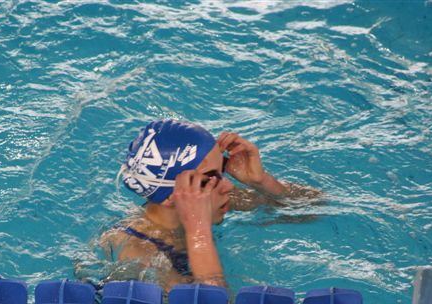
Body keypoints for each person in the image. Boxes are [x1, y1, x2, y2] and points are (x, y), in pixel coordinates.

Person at [101, 119, 321, 290]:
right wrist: (198, 231)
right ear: (170, 196)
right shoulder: (137, 253)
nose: (228, 185)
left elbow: (313, 205)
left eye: (223, 168)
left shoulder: (210, 196)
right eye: (210, 177)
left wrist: (262, 181)